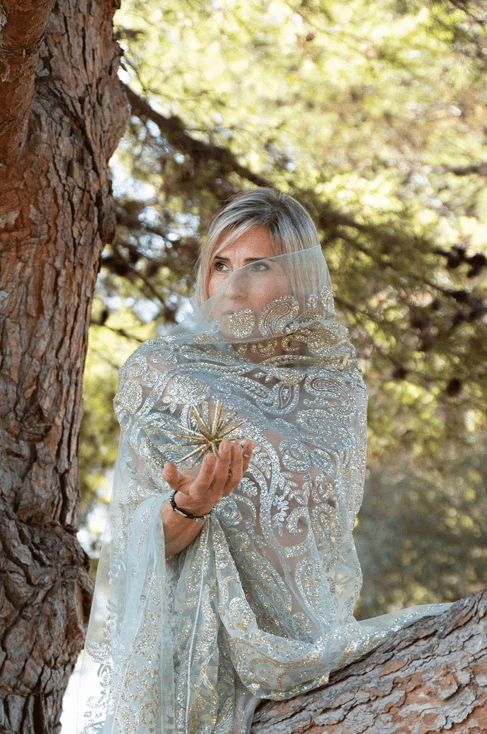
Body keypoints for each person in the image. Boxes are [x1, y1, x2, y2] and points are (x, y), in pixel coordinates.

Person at [78, 188, 451, 734]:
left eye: (257, 267)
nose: (230, 287)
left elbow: (319, 525)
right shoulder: (163, 374)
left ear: (299, 280)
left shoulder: (333, 387)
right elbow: (137, 544)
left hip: (310, 640)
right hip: (186, 658)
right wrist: (190, 505)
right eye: (220, 265)